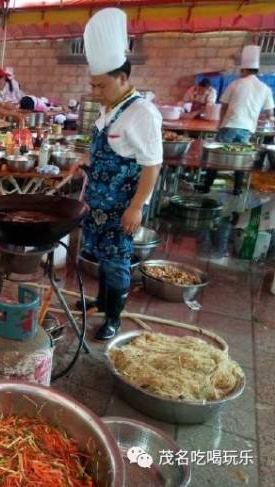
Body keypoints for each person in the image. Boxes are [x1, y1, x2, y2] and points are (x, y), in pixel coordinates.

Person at [77, 8, 162, 341]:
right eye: (93, 86)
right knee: (99, 256)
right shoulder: (110, 107)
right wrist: (85, 160)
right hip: (97, 203)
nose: (96, 92)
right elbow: (109, 151)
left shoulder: (142, 113)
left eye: (101, 85)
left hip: (121, 208)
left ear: (124, 78)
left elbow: (151, 164)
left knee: (117, 262)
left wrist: (137, 206)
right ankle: (102, 301)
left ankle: (114, 319)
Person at [201, 45, 275, 194]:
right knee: (240, 159)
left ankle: (206, 187)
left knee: (217, 158)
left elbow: (223, 106)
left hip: (229, 125)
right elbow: (270, 114)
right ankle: (237, 189)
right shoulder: (265, 88)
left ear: (244, 70)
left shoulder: (235, 84)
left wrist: (220, 124)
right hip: (247, 129)